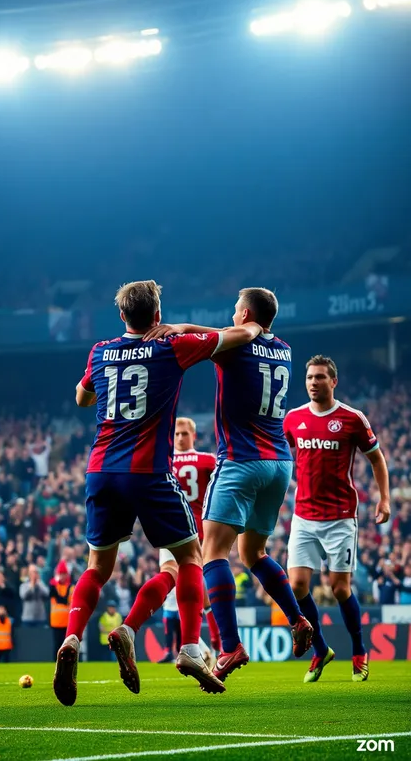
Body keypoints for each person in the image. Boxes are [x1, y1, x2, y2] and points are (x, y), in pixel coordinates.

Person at [53, 279, 262, 706]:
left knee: (97, 567)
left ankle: (72, 638)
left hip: (101, 471)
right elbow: (237, 336)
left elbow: (80, 398)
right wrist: (255, 328)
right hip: (148, 471)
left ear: (121, 316)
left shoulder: (100, 351)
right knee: (190, 558)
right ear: (157, 314)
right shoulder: (173, 347)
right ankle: (188, 647)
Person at [145, 287, 313, 684]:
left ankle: (230, 646)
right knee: (253, 552)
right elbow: (228, 335)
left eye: (236, 311)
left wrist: (176, 328)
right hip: (279, 464)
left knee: (212, 552)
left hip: (241, 459)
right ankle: (298, 618)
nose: (233, 316)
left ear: (247, 313)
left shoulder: (238, 344)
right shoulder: (285, 349)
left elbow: (214, 339)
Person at [284, 355, 390, 683]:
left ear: (333, 381)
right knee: (298, 585)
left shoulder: (351, 419)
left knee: (339, 588)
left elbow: (377, 459)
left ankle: (359, 650)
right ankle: (321, 650)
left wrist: (384, 497)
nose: (313, 382)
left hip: (341, 517)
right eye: (309, 378)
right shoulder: (293, 419)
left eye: (319, 377)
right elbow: (285, 456)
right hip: (303, 515)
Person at [157, 417, 220, 661]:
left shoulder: (167, 461)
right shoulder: (207, 460)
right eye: (177, 434)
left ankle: (211, 645)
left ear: (194, 435)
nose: (181, 438)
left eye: (185, 433)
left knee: (190, 589)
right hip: (171, 531)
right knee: (185, 590)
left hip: (196, 533)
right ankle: (204, 646)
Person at [49, 562, 75, 659]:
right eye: (60, 574)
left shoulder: (71, 587)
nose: (62, 576)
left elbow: (65, 600)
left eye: (63, 574)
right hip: (56, 622)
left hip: (67, 622)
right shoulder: (53, 587)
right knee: (57, 646)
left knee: (67, 646)